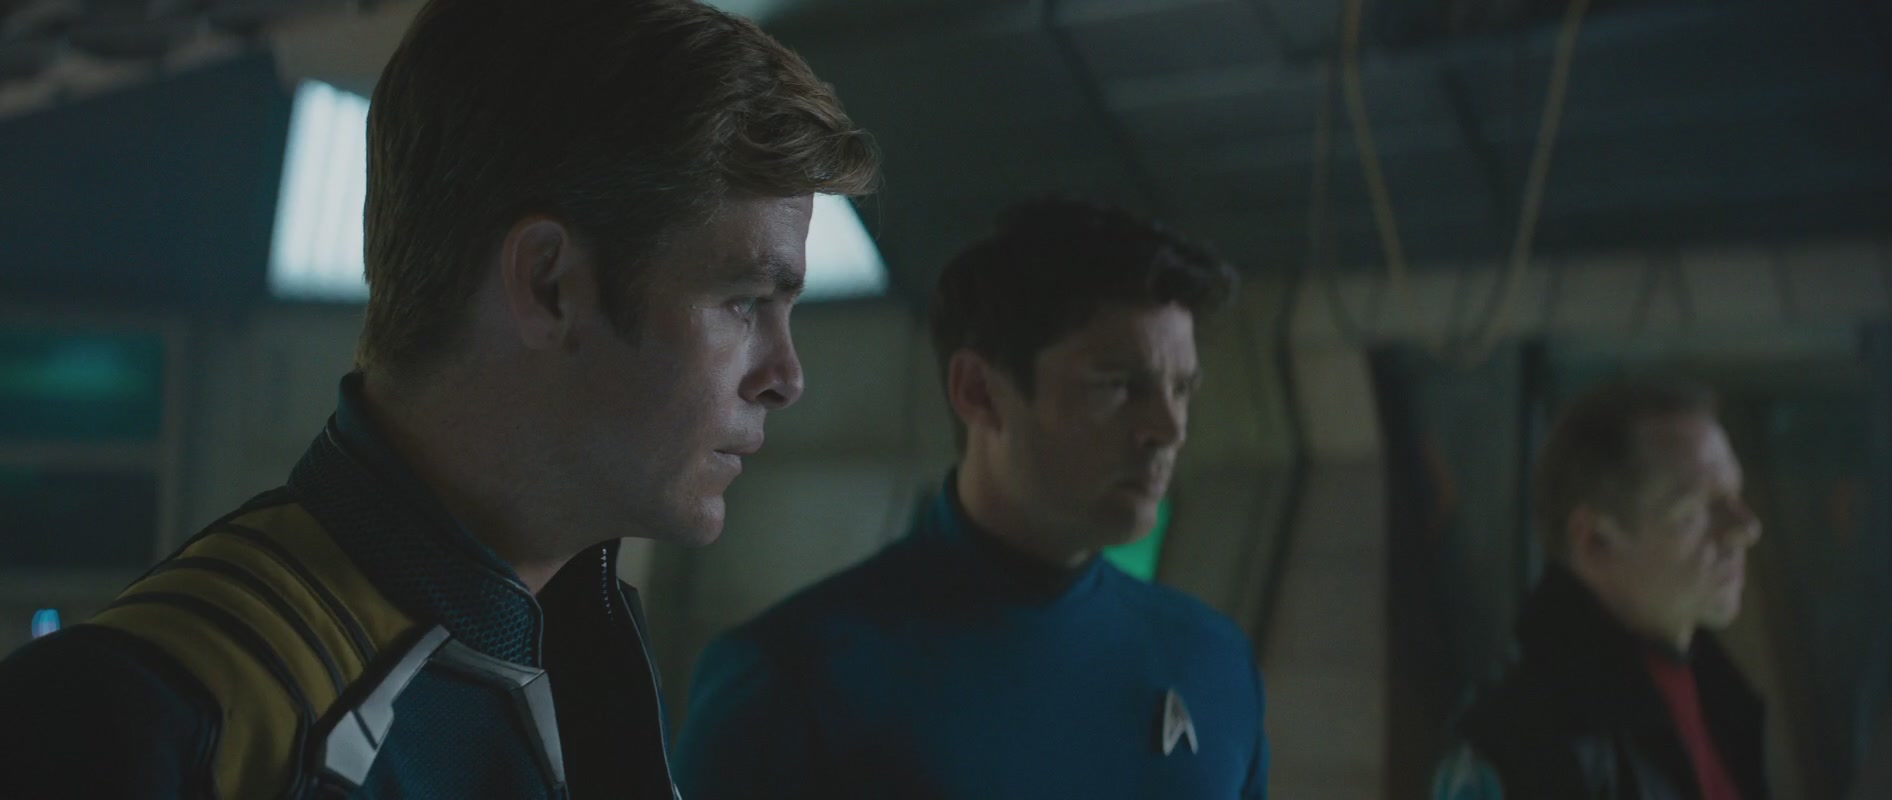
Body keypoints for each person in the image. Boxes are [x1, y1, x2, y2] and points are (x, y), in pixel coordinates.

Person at [0, 0, 878, 796]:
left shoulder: (583, 663)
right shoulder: (131, 726)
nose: (787, 376)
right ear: (548, 285)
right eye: (744, 302)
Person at [672, 198, 1270, 799]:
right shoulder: (796, 680)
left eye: (1181, 389)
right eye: (1119, 385)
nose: (1168, 428)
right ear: (979, 392)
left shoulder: (1213, 663)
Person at [1431, 378, 1769, 800]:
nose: (1746, 528)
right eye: (1693, 512)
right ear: (1594, 541)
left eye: (1735, 494)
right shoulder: (1517, 743)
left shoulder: (1719, 700)